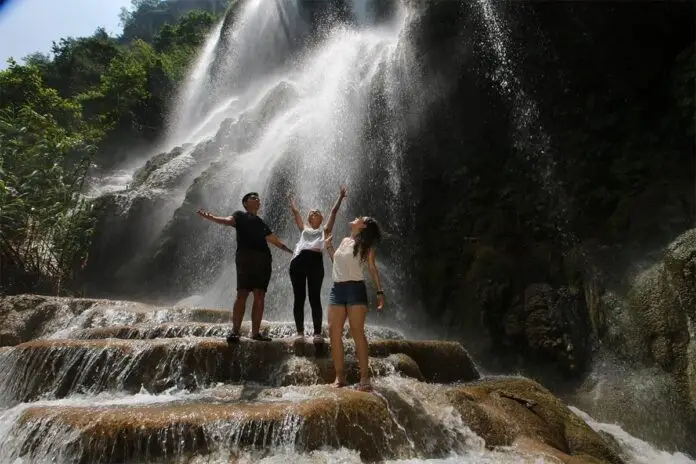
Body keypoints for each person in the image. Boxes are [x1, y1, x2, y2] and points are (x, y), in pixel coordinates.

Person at [197, 192, 293, 343]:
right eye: (253, 198)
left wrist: (293, 253)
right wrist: (212, 218)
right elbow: (227, 221)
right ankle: (235, 331)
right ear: (245, 203)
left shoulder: (261, 223)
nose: (257, 199)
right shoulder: (239, 215)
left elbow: (276, 241)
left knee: (259, 294)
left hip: (263, 259)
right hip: (245, 258)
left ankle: (255, 333)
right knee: (242, 293)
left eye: (258, 198)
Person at [324, 216, 385, 392]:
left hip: (355, 288)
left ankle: (364, 378)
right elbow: (337, 264)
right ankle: (339, 376)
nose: (356, 217)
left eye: (360, 218)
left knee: (357, 331)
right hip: (337, 289)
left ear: (363, 226)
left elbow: (372, 268)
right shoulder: (344, 240)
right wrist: (329, 247)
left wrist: (379, 292)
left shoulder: (366, 245)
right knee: (333, 332)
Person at [288, 186, 347, 343]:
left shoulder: (325, 230)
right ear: (308, 218)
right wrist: (292, 201)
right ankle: (300, 332)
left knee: (315, 298)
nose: (313, 212)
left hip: (315, 263)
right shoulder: (304, 229)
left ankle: (317, 333)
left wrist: (340, 197)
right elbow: (296, 213)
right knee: (299, 298)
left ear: (322, 218)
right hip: (298, 262)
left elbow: (334, 212)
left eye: (317, 212)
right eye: (311, 212)